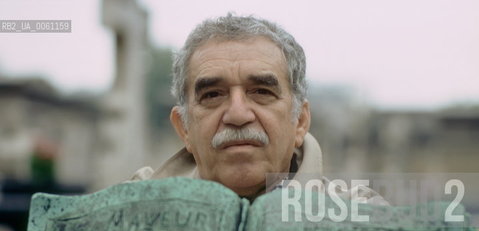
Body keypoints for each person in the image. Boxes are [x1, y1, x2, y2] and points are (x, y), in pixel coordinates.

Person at [131, 13, 385, 204]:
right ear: (184, 128)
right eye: (213, 95)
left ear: (300, 121)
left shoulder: (363, 221)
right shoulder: (129, 212)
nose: (238, 115)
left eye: (262, 92)